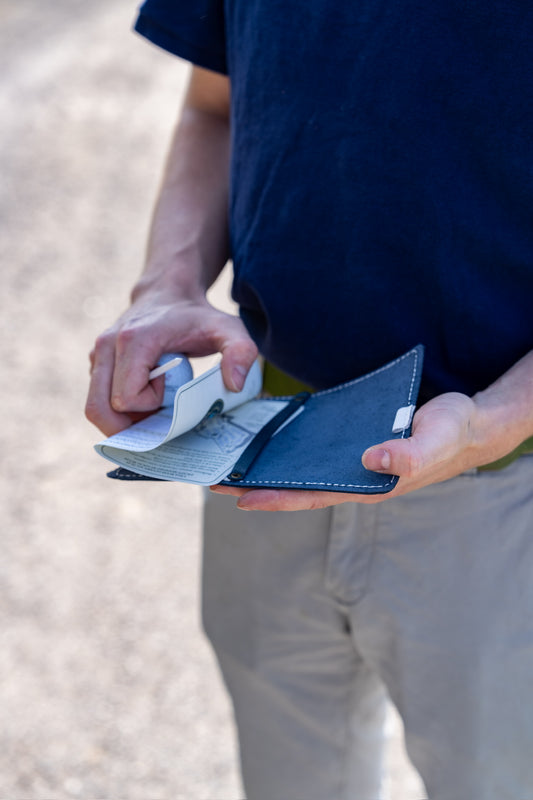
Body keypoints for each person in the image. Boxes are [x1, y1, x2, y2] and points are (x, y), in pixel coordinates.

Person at [85, 2, 533, 798]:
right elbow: (212, 105)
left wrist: (495, 422)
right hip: (262, 440)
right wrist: (167, 284)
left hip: (505, 492)